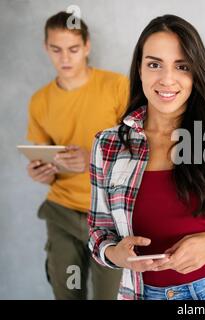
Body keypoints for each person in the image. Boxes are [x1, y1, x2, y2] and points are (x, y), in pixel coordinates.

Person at [88, 14, 205, 300]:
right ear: (140, 69)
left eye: (182, 66)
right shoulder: (108, 146)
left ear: (196, 73)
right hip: (142, 294)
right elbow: (99, 233)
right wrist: (115, 254)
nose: (167, 79)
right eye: (154, 64)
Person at [26, 11, 127, 299]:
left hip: (109, 215)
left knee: (109, 296)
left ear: (87, 47)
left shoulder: (117, 87)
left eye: (72, 49)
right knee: (68, 293)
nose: (65, 58)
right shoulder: (39, 101)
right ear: (46, 48)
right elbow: (44, 157)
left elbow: (143, 150)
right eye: (56, 49)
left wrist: (92, 160)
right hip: (62, 213)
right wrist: (40, 173)